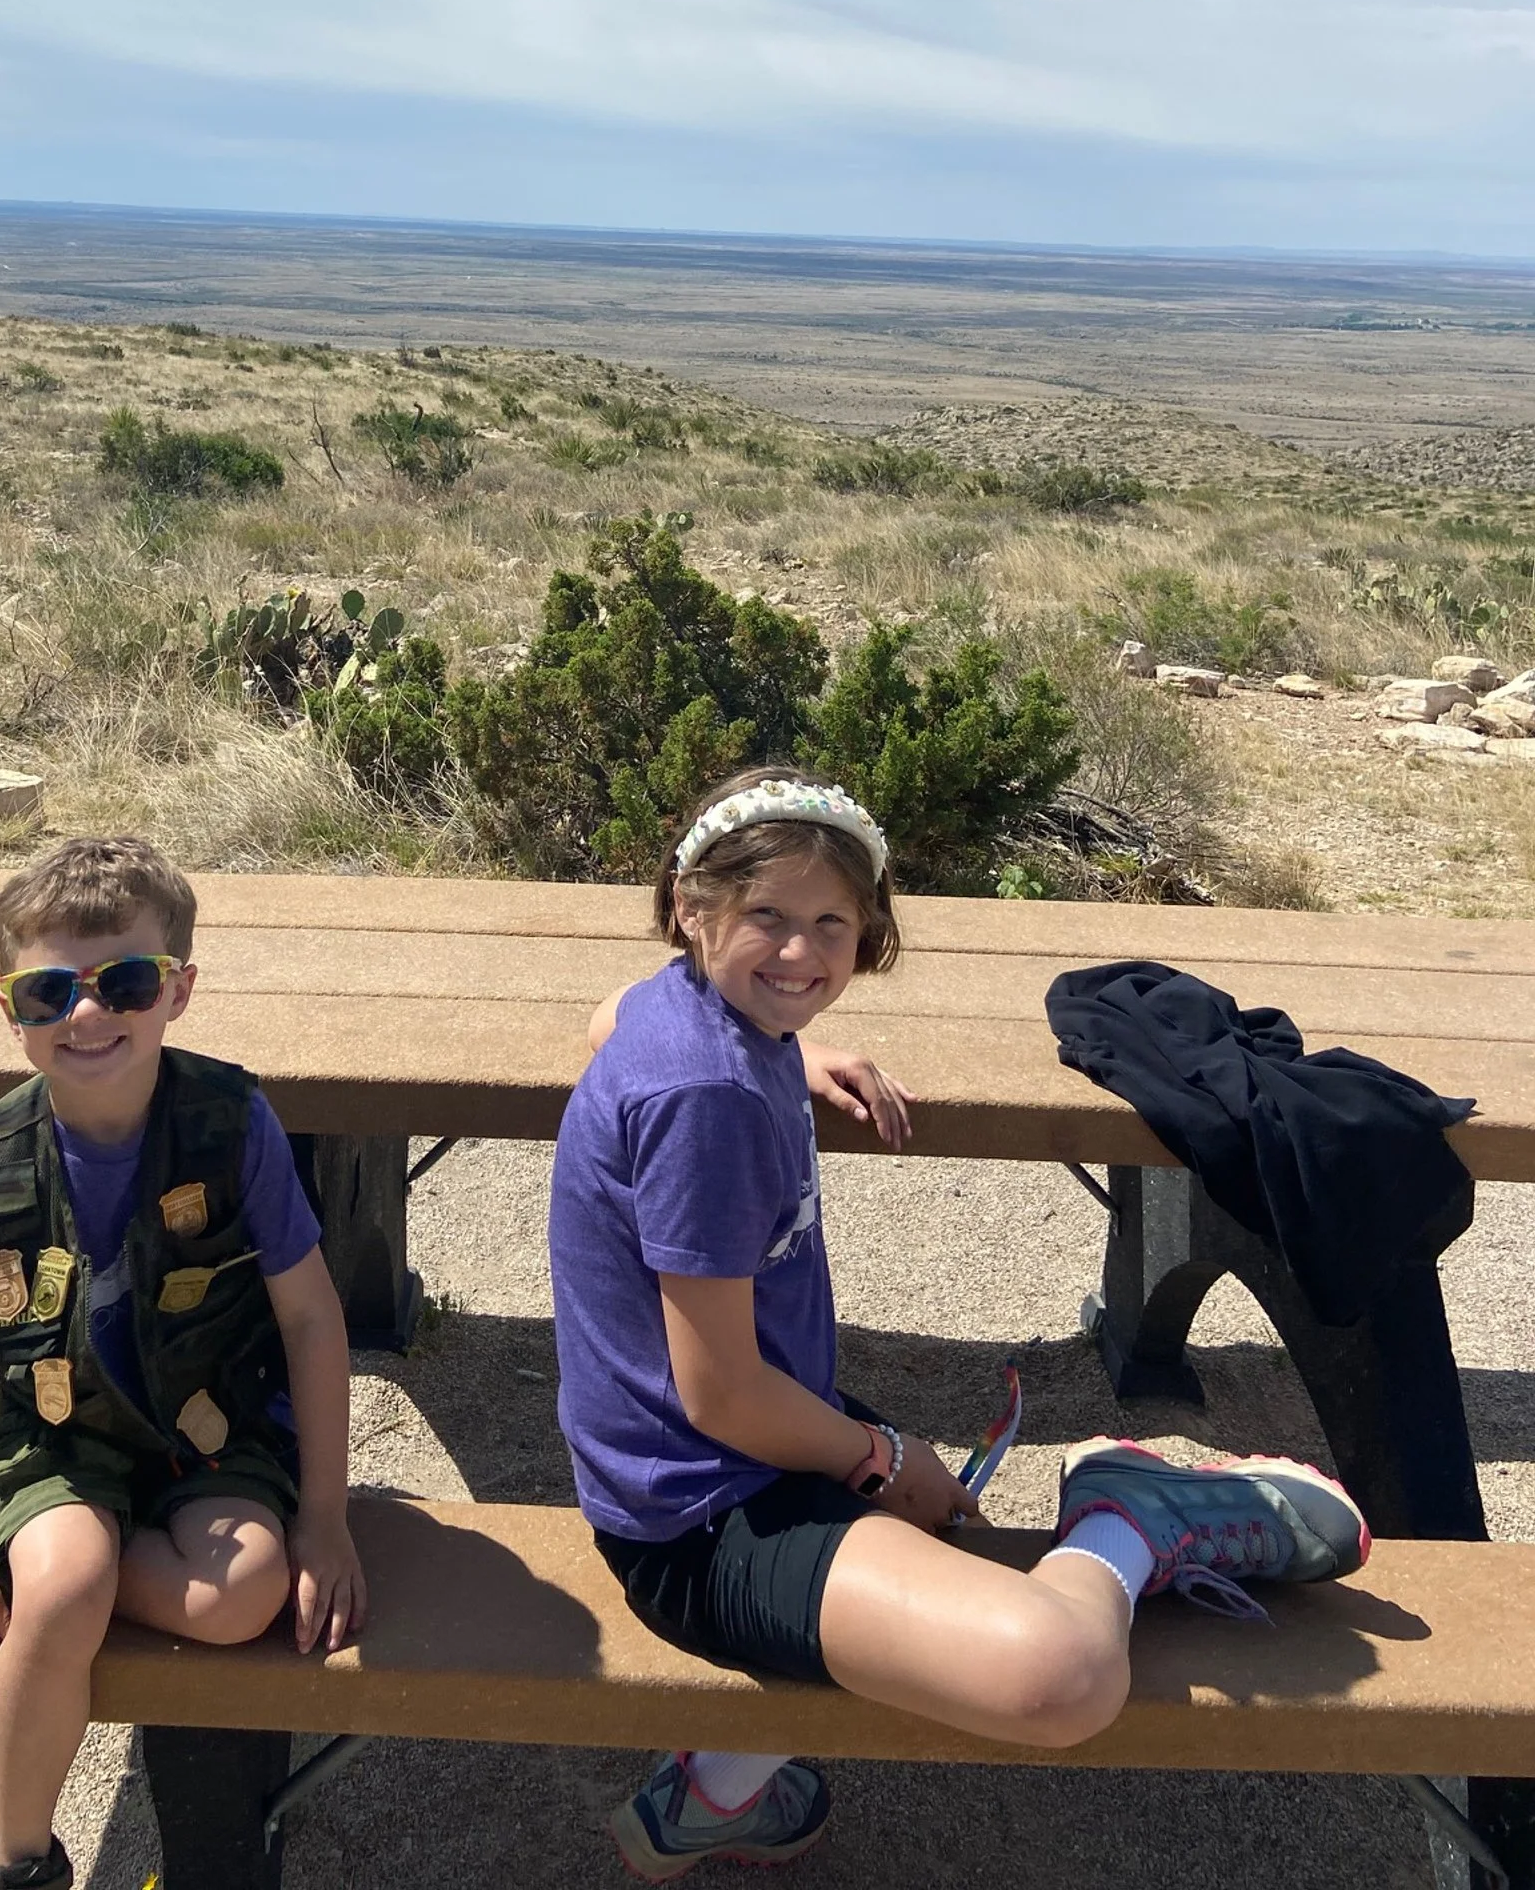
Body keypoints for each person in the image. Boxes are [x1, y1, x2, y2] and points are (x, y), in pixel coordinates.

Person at [548, 769, 1368, 1881]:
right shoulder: (710, 1097)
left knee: (940, 1546)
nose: (801, 953)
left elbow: (608, 1017)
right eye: (768, 920)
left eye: (831, 923)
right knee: (1062, 1675)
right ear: (693, 909)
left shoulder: (689, 1014)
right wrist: (887, 1460)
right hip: (696, 1515)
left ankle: (719, 1787)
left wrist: (798, 1052)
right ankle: (1136, 1517)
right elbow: (724, 1397)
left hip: (701, 1463)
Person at [0, 836, 364, 1890]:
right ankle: (18, 1859)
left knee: (242, 1597)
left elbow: (313, 1320)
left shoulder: (231, 1124)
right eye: (47, 992)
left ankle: (36, 1559)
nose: (86, 1017)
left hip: (208, 1427)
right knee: (63, 1592)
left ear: (178, 990)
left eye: (123, 982)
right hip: (57, 1437)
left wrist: (324, 1518)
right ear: (10, 1009)